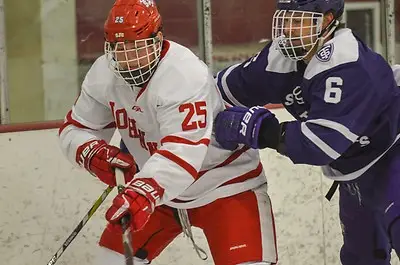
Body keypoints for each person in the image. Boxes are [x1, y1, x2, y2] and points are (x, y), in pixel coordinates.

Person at [58, 0, 278, 264]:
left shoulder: (184, 74)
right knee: (107, 261)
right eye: (119, 48)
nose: (128, 58)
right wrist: (93, 153)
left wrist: (142, 193)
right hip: (158, 191)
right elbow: (76, 128)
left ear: (157, 39)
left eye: (136, 47)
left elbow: (182, 154)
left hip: (223, 185)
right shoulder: (103, 73)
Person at [213, 0, 400, 264]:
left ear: (326, 21)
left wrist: (262, 129)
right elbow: (222, 88)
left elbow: (320, 145)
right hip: (355, 173)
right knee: (361, 259)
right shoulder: (281, 57)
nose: (288, 29)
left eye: (299, 20)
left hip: (393, 155)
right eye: (285, 19)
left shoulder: (348, 65)